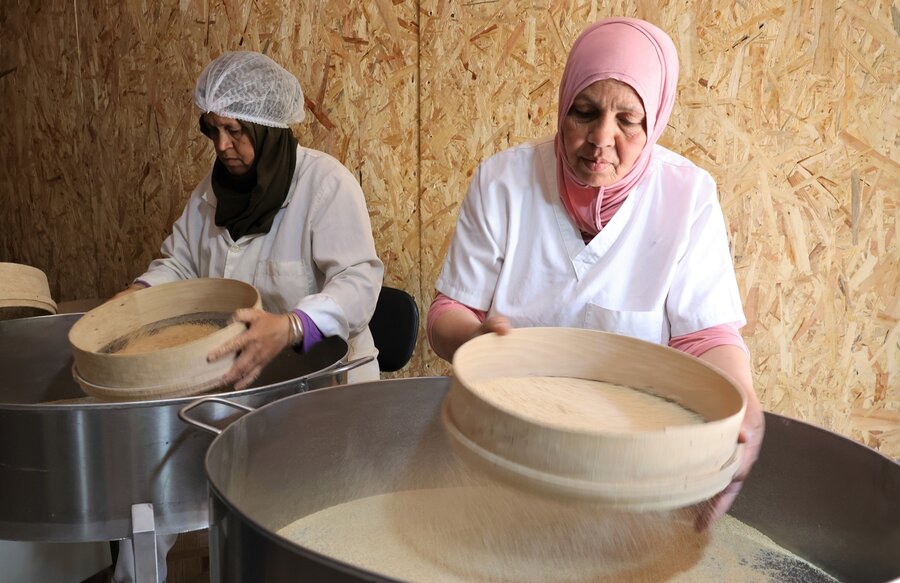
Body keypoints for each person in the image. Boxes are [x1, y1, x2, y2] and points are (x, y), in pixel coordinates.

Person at [427, 17, 764, 530]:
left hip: (627, 470)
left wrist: (742, 408)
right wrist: (476, 338)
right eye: (584, 112)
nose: (600, 139)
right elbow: (446, 315)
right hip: (508, 447)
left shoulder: (686, 197)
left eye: (629, 120)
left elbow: (706, 337)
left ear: (656, 122)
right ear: (562, 107)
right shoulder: (504, 182)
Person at [111, 51, 383, 582]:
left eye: (235, 131)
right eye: (212, 131)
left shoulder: (323, 187)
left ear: (268, 127)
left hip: (322, 392)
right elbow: (180, 262)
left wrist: (292, 327)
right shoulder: (213, 194)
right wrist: (140, 294)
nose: (222, 147)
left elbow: (358, 282)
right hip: (236, 386)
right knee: (160, 490)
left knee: (306, 542)